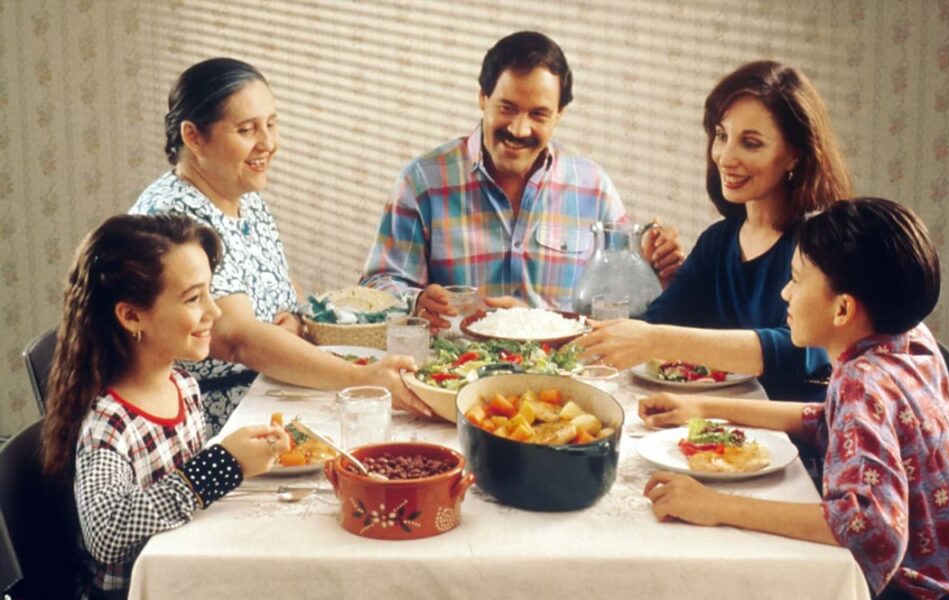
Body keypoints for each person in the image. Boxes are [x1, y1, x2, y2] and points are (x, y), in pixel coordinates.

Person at [640, 198, 949, 599]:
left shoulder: (863, 382)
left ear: (843, 309)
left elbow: (869, 527)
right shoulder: (910, 339)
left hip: (913, 590)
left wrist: (714, 504)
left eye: (797, 280)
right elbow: (830, 418)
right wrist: (704, 406)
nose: (785, 293)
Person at [130, 58, 430, 434]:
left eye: (271, 124)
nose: (269, 144)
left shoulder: (242, 194)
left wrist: (300, 320)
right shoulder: (174, 219)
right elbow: (237, 339)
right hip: (208, 422)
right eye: (246, 130)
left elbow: (283, 288)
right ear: (193, 137)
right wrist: (363, 377)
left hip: (269, 393)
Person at [358, 31, 684, 331]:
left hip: (564, 378)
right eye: (507, 108)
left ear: (559, 115)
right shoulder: (422, 182)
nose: (519, 129)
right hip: (455, 374)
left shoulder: (593, 187)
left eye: (538, 114)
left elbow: (622, 305)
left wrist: (655, 270)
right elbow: (377, 285)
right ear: (483, 98)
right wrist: (415, 302)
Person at [40, 214, 292, 598]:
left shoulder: (183, 385)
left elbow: (182, 491)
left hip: (190, 574)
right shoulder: (110, 422)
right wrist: (222, 466)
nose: (215, 311)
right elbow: (106, 533)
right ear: (131, 315)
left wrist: (244, 458)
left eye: (210, 292)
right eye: (194, 298)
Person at [576, 60, 853, 401]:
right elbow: (658, 322)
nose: (725, 157)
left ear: (795, 155)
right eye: (722, 136)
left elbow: (800, 349)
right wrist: (645, 278)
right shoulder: (719, 241)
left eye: (750, 143)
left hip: (798, 441)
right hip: (716, 430)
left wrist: (658, 339)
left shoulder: (820, 245)